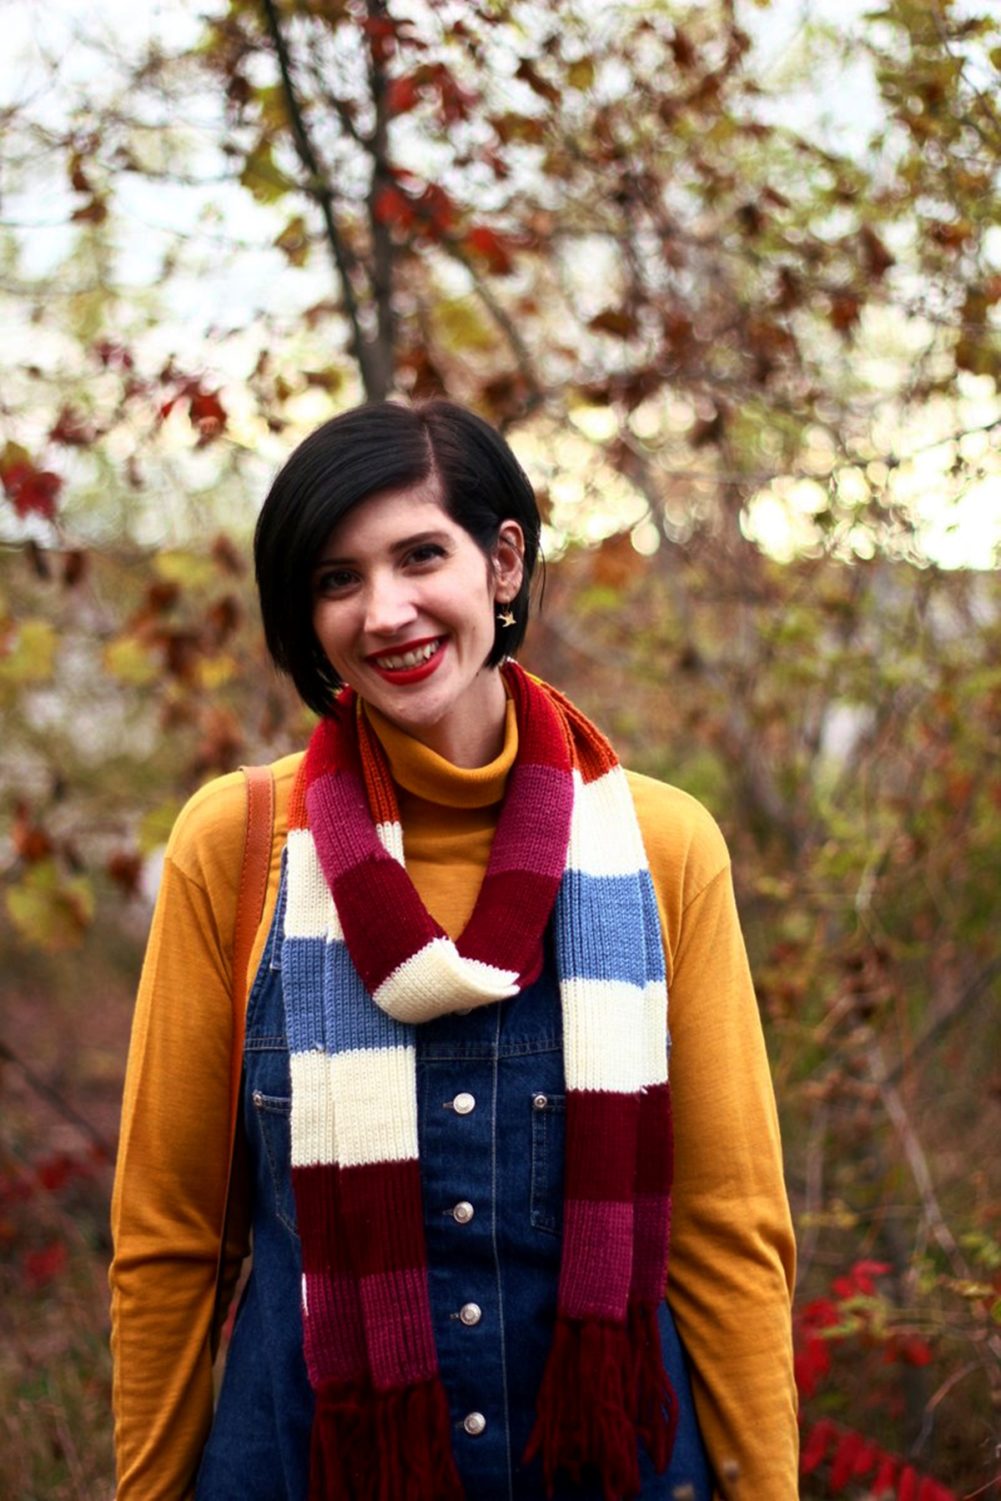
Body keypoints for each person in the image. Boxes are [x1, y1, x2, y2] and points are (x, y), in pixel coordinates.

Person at [109, 398, 797, 1500]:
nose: (384, 611)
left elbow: (728, 1233)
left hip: (606, 1468)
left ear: (503, 560)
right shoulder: (236, 848)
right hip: (302, 1466)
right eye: (337, 578)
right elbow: (169, 1246)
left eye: (419, 555)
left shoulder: (662, 846)